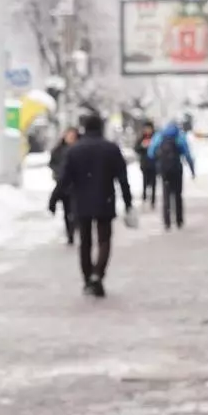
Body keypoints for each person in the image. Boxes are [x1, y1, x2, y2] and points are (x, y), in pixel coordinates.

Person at [59, 114, 133, 297]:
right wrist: (128, 202)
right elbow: (123, 179)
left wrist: (55, 199)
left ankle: (87, 278)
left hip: (81, 202)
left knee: (84, 242)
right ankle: (97, 274)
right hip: (104, 199)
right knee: (104, 240)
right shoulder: (111, 149)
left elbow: (64, 179)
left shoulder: (75, 150)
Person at [147, 120, 196, 231]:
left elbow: (151, 153)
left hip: (164, 170)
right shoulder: (179, 136)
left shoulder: (159, 136)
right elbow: (187, 154)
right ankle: (179, 220)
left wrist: (157, 163)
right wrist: (192, 170)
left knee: (166, 195)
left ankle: (167, 221)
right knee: (178, 195)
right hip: (176, 169)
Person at [48, 127, 80, 244]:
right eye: (68, 135)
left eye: (73, 135)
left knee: (75, 208)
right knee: (67, 210)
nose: (70, 138)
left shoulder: (80, 148)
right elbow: (52, 163)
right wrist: (58, 172)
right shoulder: (58, 150)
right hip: (63, 183)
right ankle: (69, 233)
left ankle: (74, 226)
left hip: (77, 184)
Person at [133, 121, 157, 209]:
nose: (147, 130)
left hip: (154, 164)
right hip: (145, 164)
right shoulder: (141, 138)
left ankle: (153, 201)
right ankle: (144, 198)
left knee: (153, 183)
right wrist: (143, 146)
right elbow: (136, 148)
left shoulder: (155, 138)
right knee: (145, 182)